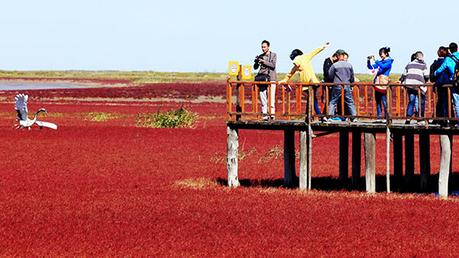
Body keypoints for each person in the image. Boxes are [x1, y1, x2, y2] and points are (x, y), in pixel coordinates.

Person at [279, 42, 330, 115]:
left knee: (312, 99)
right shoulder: (305, 58)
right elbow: (315, 51)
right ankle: (308, 116)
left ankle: (319, 115)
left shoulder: (301, 59)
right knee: (311, 99)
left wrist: (323, 46)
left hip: (309, 84)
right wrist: (323, 46)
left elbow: (291, 72)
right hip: (311, 83)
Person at [325, 50, 357, 122]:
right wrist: (351, 83)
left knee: (333, 101)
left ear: (338, 56)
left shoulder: (335, 65)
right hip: (347, 85)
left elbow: (330, 76)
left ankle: (330, 116)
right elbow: (352, 76)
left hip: (337, 85)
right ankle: (354, 117)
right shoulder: (349, 65)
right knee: (350, 101)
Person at [400, 51, 429, 125]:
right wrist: (426, 82)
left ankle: (408, 118)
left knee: (411, 101)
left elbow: (404, 75)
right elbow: (426, 76)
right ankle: (420, 118)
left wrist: (401, 81)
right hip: (419, 85)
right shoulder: (423, 64)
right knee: (421, 102)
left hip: (410, 85)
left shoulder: (409, 64)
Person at [367, 47, 394, 122]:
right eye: (380, 54)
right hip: (377, 82)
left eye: (381, 54)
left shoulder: (389, 62)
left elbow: (383, 67)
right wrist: (368, 60)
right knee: (378, 100)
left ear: (386, 53)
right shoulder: (381, 61)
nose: (380, 55)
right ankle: (379, 117)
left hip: (383, 83)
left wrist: (376, 60)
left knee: (384, 100)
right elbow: (370, 67)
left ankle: (386, 117)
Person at [434, 42, 459, 121]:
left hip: (455, 82)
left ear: (450, 50)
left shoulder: (448, 59)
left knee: (457, 102)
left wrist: (434, 73)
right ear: (457, 48)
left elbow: (441, 69)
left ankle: (458, 120)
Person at [254, 40, 277, 120]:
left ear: (268, 47)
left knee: (271, 97)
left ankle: (272, 115)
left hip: (271, 78)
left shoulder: (273, 55)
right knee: (263, 97)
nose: (263, 49)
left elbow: (273, 65)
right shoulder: (261, 56)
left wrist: (263, 61)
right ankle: (265, 115)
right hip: (262, 78)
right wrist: (256, 62)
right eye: (262, 47)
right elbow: (255, 67)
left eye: (264, 47)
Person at [430, 46, 449, 121]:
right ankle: (447, 117)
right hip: (448, 84)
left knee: (441, 100)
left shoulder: (435, 63)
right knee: (446, 101)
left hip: (439, 84)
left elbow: (432, 78)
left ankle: (439, 117)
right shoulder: (448, 61)